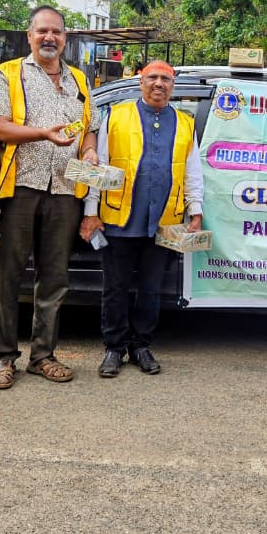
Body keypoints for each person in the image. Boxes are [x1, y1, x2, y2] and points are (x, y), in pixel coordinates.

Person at [0, 5, 91, 388]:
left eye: (57, 32)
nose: (50, 38)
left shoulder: (79, 78)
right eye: (42, 31)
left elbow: (88, 128)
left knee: (54, 278)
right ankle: (3, 356)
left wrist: (90, 150)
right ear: (29, 35)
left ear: (65, 38)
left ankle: (43, 355)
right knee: (6, 276)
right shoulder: (8, 74)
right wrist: (43, 133)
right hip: (18, 188)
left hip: (64, 189)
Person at [79, 59, 203, 378]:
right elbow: (100, 167)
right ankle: (114, 348)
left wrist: (196, 210)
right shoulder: (116, 116)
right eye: (152, 78)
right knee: (115, 288)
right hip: (119, 220)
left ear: (172, 86)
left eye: (165, 79)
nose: (159, 83)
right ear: (140, 82)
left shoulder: (185, 123)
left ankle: (141, 346)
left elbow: (192, 171)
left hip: (163, 220)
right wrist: (91, 213)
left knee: (151, 289)